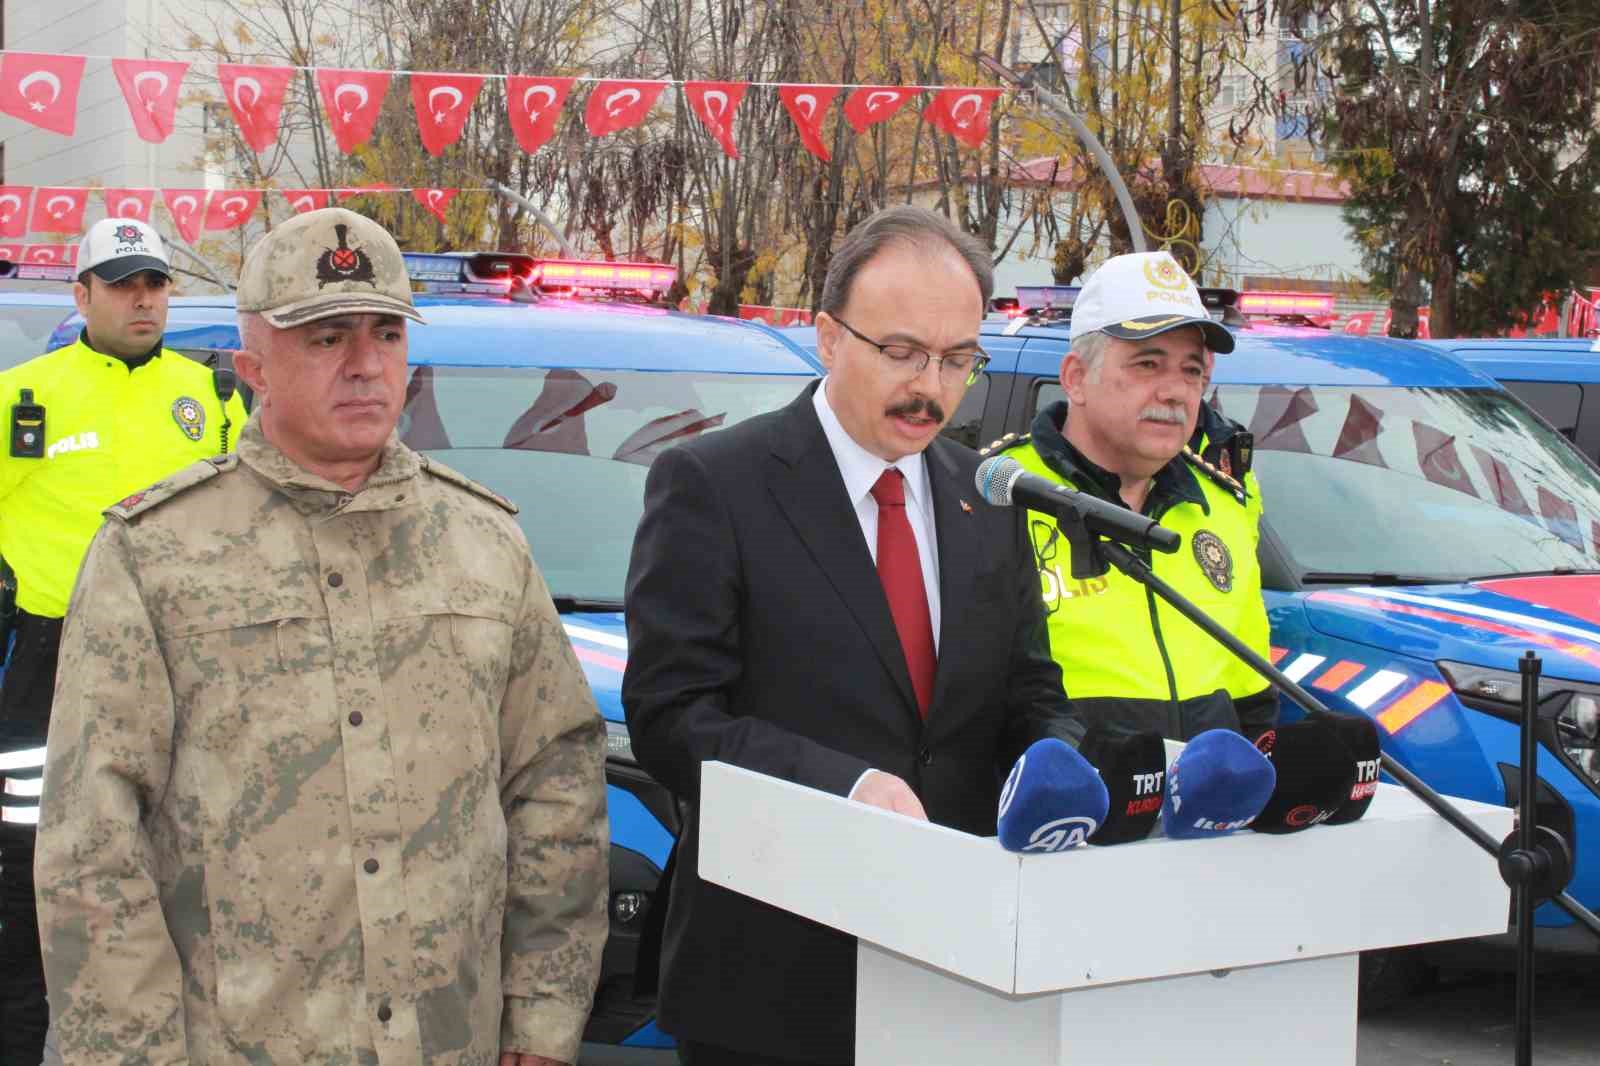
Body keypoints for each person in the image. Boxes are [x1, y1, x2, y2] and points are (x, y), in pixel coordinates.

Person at [33, 208, 608, 1066]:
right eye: (325, 336)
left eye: (385, 332)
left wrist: (543, 1017)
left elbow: (557, 788)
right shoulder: (154, 555)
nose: (365, 363)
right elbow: (92, 841)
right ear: (251, 366)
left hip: (449, 1041)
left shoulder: (484, 545)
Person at [622, 204, 1085, 1065]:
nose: (933, 387)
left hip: (963, 964)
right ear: (830, 337)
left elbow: (1028, 691)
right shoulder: (716, 484)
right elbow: (670, 716)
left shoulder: (987, 493)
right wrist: (847, 787)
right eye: (903, 352)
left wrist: (1058, 757)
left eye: (958, 359)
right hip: (774, 975)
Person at [0, 217, 246, 1066]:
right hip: (49, 656)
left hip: (185, 658)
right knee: (29, 861)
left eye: (155, 283)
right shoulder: (22, 394)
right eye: (122, 283)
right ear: (84, 295)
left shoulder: (212, 396)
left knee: (175, 852)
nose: (143, 299)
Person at [989, 250, 1275, 741]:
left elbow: (1252, 700)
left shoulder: (1226, 504)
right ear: (1076, 377)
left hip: (1207, 813)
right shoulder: (999, 496)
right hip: (1063, 810)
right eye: (1148, 364)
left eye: (1191, 371)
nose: (1176, 392)